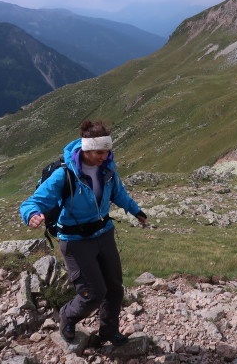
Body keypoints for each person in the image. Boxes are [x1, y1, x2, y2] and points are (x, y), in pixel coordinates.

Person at [20, 120, 147, 346]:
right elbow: (34, 201)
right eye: (99, 152)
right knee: (93, 292)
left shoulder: (107, 170)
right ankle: (68, 317)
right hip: (76, 241)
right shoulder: (64, 175)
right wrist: (32, 215)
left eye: (107, 151)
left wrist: (136, 210)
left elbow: (119, 194)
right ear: (87, 149)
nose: (104, 156)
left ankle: (108, 331)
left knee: (115, 288)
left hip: (104, 234)